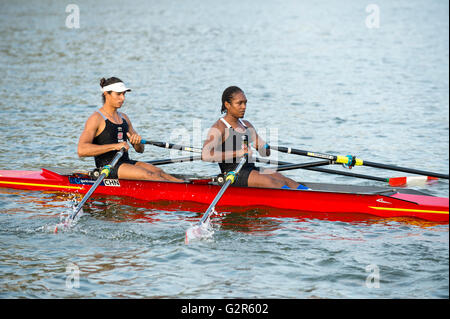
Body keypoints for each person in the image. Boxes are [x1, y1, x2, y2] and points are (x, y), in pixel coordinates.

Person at [77, 77, 183, 182]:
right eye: (118, 94)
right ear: (106, 94)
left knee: (159, 172)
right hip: (108, 167)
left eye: (124, 94)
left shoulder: (124, 118)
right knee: (149, 175)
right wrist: (115, 146)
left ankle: (185, 186)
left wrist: (137, 142)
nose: (122, 98)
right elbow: (81, 150)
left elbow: (140, 150)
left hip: (126, 163)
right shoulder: (96, 118)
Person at [202, 86, 308, 189]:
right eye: (239, 103)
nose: (244, 107)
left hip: (250, 169)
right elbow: (205, 155)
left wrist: (263, 147)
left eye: (245, 103)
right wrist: (238, 153)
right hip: (233, 174)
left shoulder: (246, 125)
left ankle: (308, 194)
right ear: (227, 105)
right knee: (273, 183)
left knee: (284, 179)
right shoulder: (219, 127)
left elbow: (265, 153)